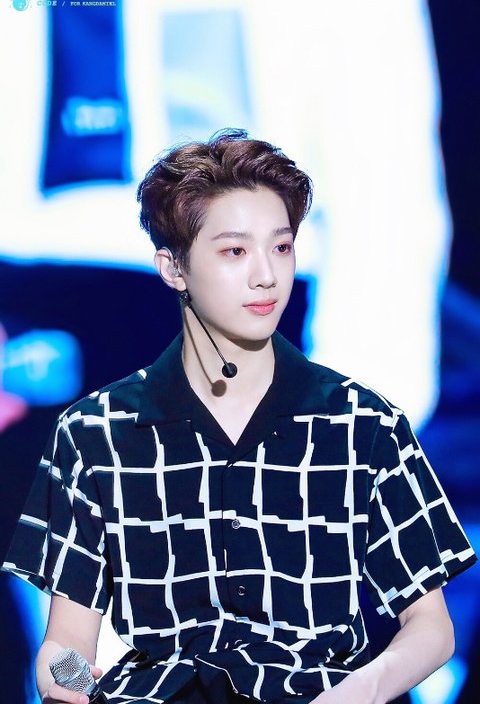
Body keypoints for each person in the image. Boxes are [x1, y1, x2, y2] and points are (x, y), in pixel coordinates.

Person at [1, 129, 476, 704]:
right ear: (174, 268)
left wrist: (363, 689)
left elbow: (431, 627)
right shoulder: (93, 437)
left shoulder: (366, 427)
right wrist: (79, 686)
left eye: (281, 248)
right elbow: (66, 643)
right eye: (234, 251)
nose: (265, 275)